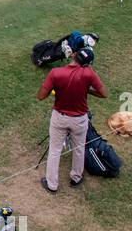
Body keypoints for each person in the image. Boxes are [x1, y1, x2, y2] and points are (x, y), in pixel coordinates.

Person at [36, 47, 108, 193]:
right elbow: (104, 93)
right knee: (79, 147)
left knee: (55, 150)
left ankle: (52, 184)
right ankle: (76, 177)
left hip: (60, 118)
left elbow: (41, 96)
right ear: (88, 63)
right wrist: (87, 90)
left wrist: (55, 87)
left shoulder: (55, 73)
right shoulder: (89, 73)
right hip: (80, 120)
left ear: (74, 55)